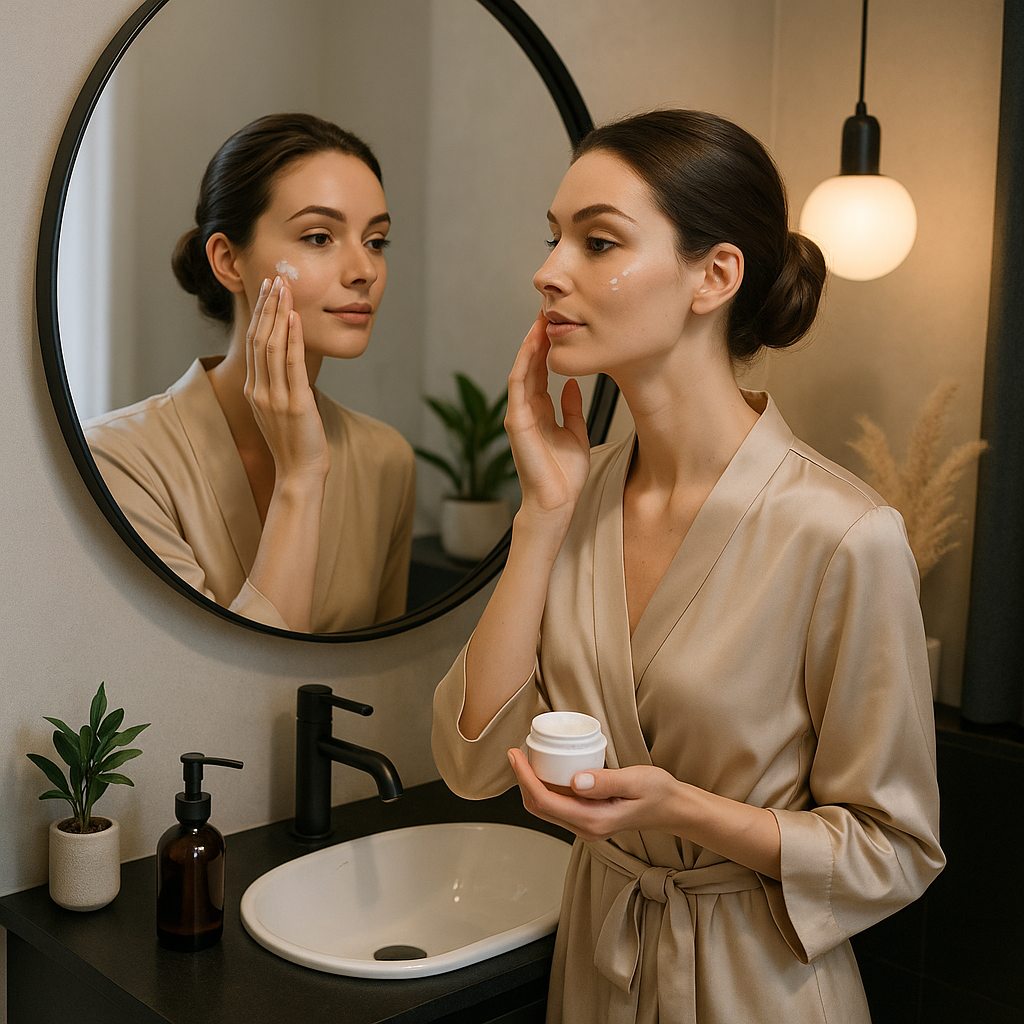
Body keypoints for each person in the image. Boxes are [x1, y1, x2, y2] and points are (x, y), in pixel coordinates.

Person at [432, 109, 944, 1023]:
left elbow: (894, 849)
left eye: (598, 242)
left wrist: (685, 811)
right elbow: (472, 762)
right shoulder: (579, 504)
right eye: (554, 239)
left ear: (715, 275)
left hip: (760, 987)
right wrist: (543, 512)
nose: (548, 272)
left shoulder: (842, 534)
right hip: (595, 976)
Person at [86, 114, 415, 633]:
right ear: (228, 260)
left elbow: (378, 674)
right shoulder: (118, 461)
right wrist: (301, 477)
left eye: (376, 240)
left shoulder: (387, 462)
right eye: (318, 237)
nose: (365, 270)